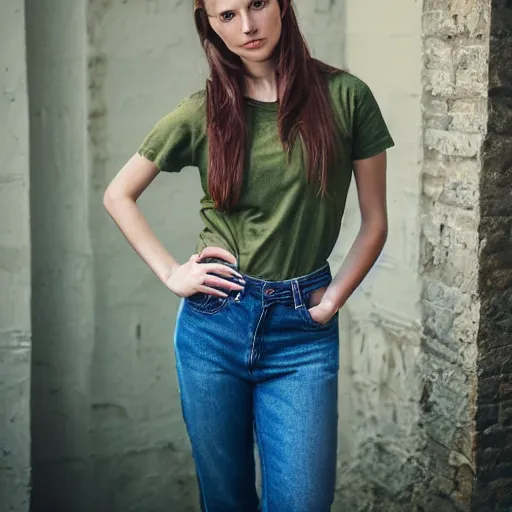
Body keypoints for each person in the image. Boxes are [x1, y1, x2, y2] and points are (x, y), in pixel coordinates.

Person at [103, 0, 394, 510]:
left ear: (282, 5)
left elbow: (375, 222)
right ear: (210, 25)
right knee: (227, 499)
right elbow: (118, 194)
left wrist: (329, 304)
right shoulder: (204, 110)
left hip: (302, 332)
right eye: (227, 15)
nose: (247, 26)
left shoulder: (347, 98)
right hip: (214, 325)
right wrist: (173, 273)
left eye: (257, 4)